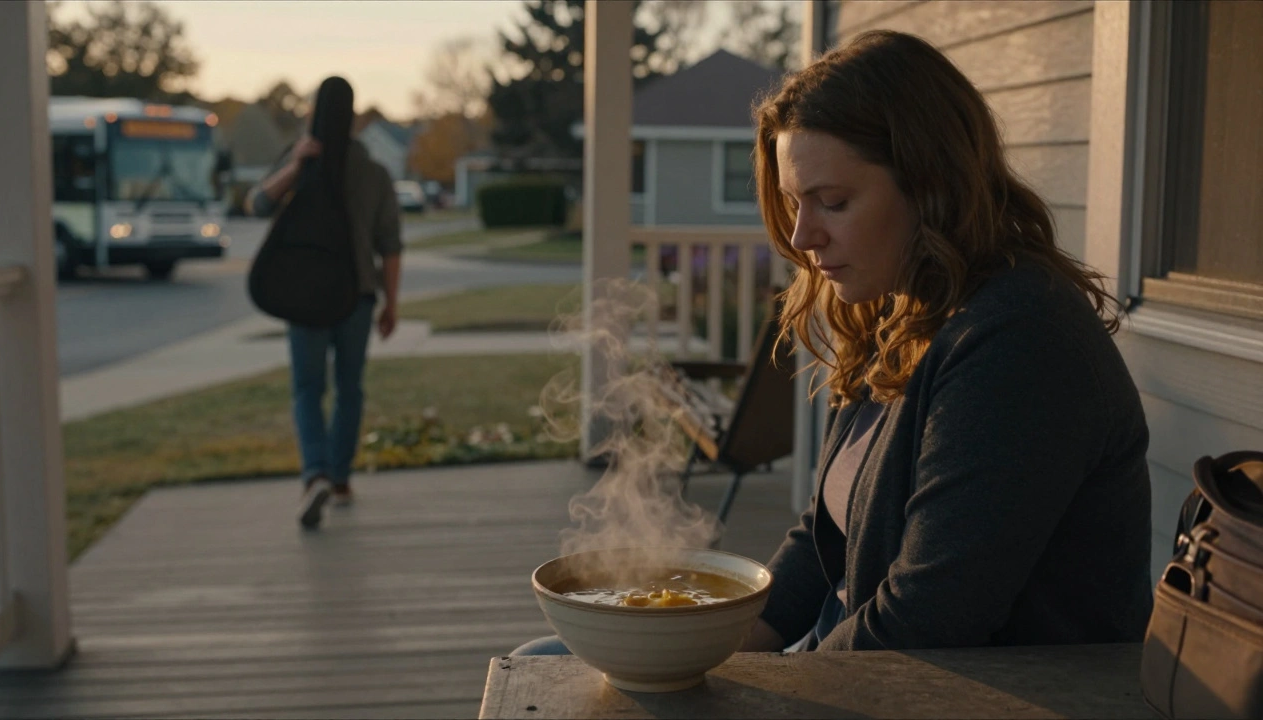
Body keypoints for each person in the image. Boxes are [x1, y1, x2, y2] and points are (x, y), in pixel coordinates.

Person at [513, 30, 1153, 657]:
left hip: (955, 696)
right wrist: (712, 652)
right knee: (553, 658)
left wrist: (762, 691)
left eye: (833, 202)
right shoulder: (901, 308)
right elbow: (824, 539)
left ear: (933, 187)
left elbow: (928, 619)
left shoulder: (1019, 339)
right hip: (849, 670)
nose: (802, 236)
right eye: (795, 203)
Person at [245, 76, 403, 529]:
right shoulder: (373, 172)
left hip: (304, 296)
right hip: (356, 296)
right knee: (350, 387)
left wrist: (295, 167)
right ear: (353, 118)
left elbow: (257, 203)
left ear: (315, 111)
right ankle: (339, 480)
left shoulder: (301, 157)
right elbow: (390, 245)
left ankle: (313, 472)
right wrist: (391, 304)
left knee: (307, 389)